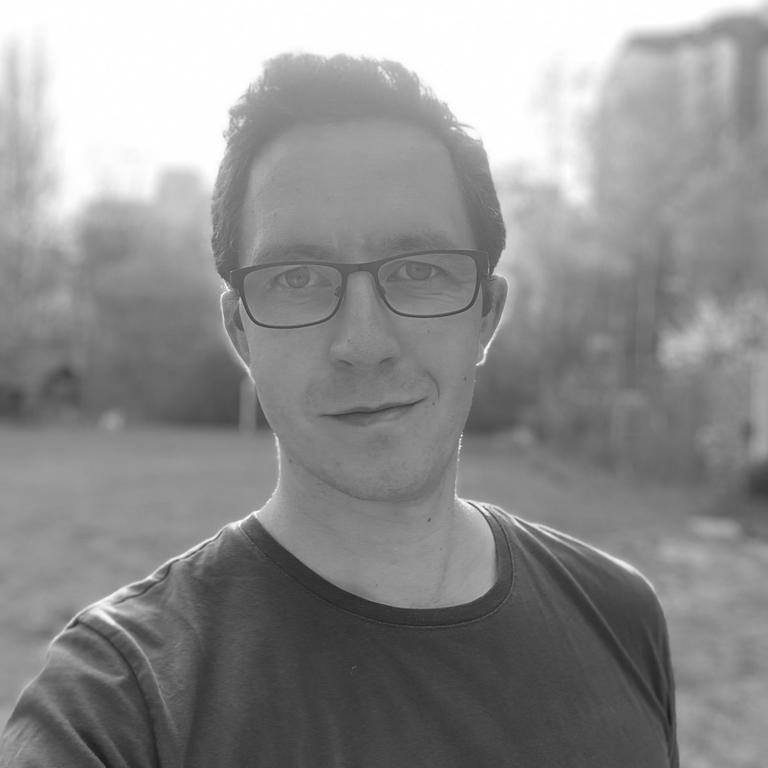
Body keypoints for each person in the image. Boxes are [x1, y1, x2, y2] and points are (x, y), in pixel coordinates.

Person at [0, 53, 678, 767]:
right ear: (240, 332)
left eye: (418, 271)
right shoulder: (121, 704)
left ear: (487, 313)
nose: (363, 344)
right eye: (296, 278)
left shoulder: (619, 615)